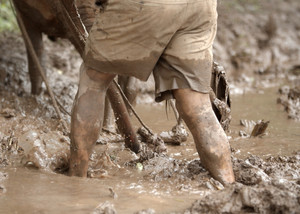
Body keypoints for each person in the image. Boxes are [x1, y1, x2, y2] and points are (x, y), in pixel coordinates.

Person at [68, 0, 235, 184]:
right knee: (198, 106)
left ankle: (77, 181)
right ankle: (230, 187)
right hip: (200, 7)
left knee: (93, 81)